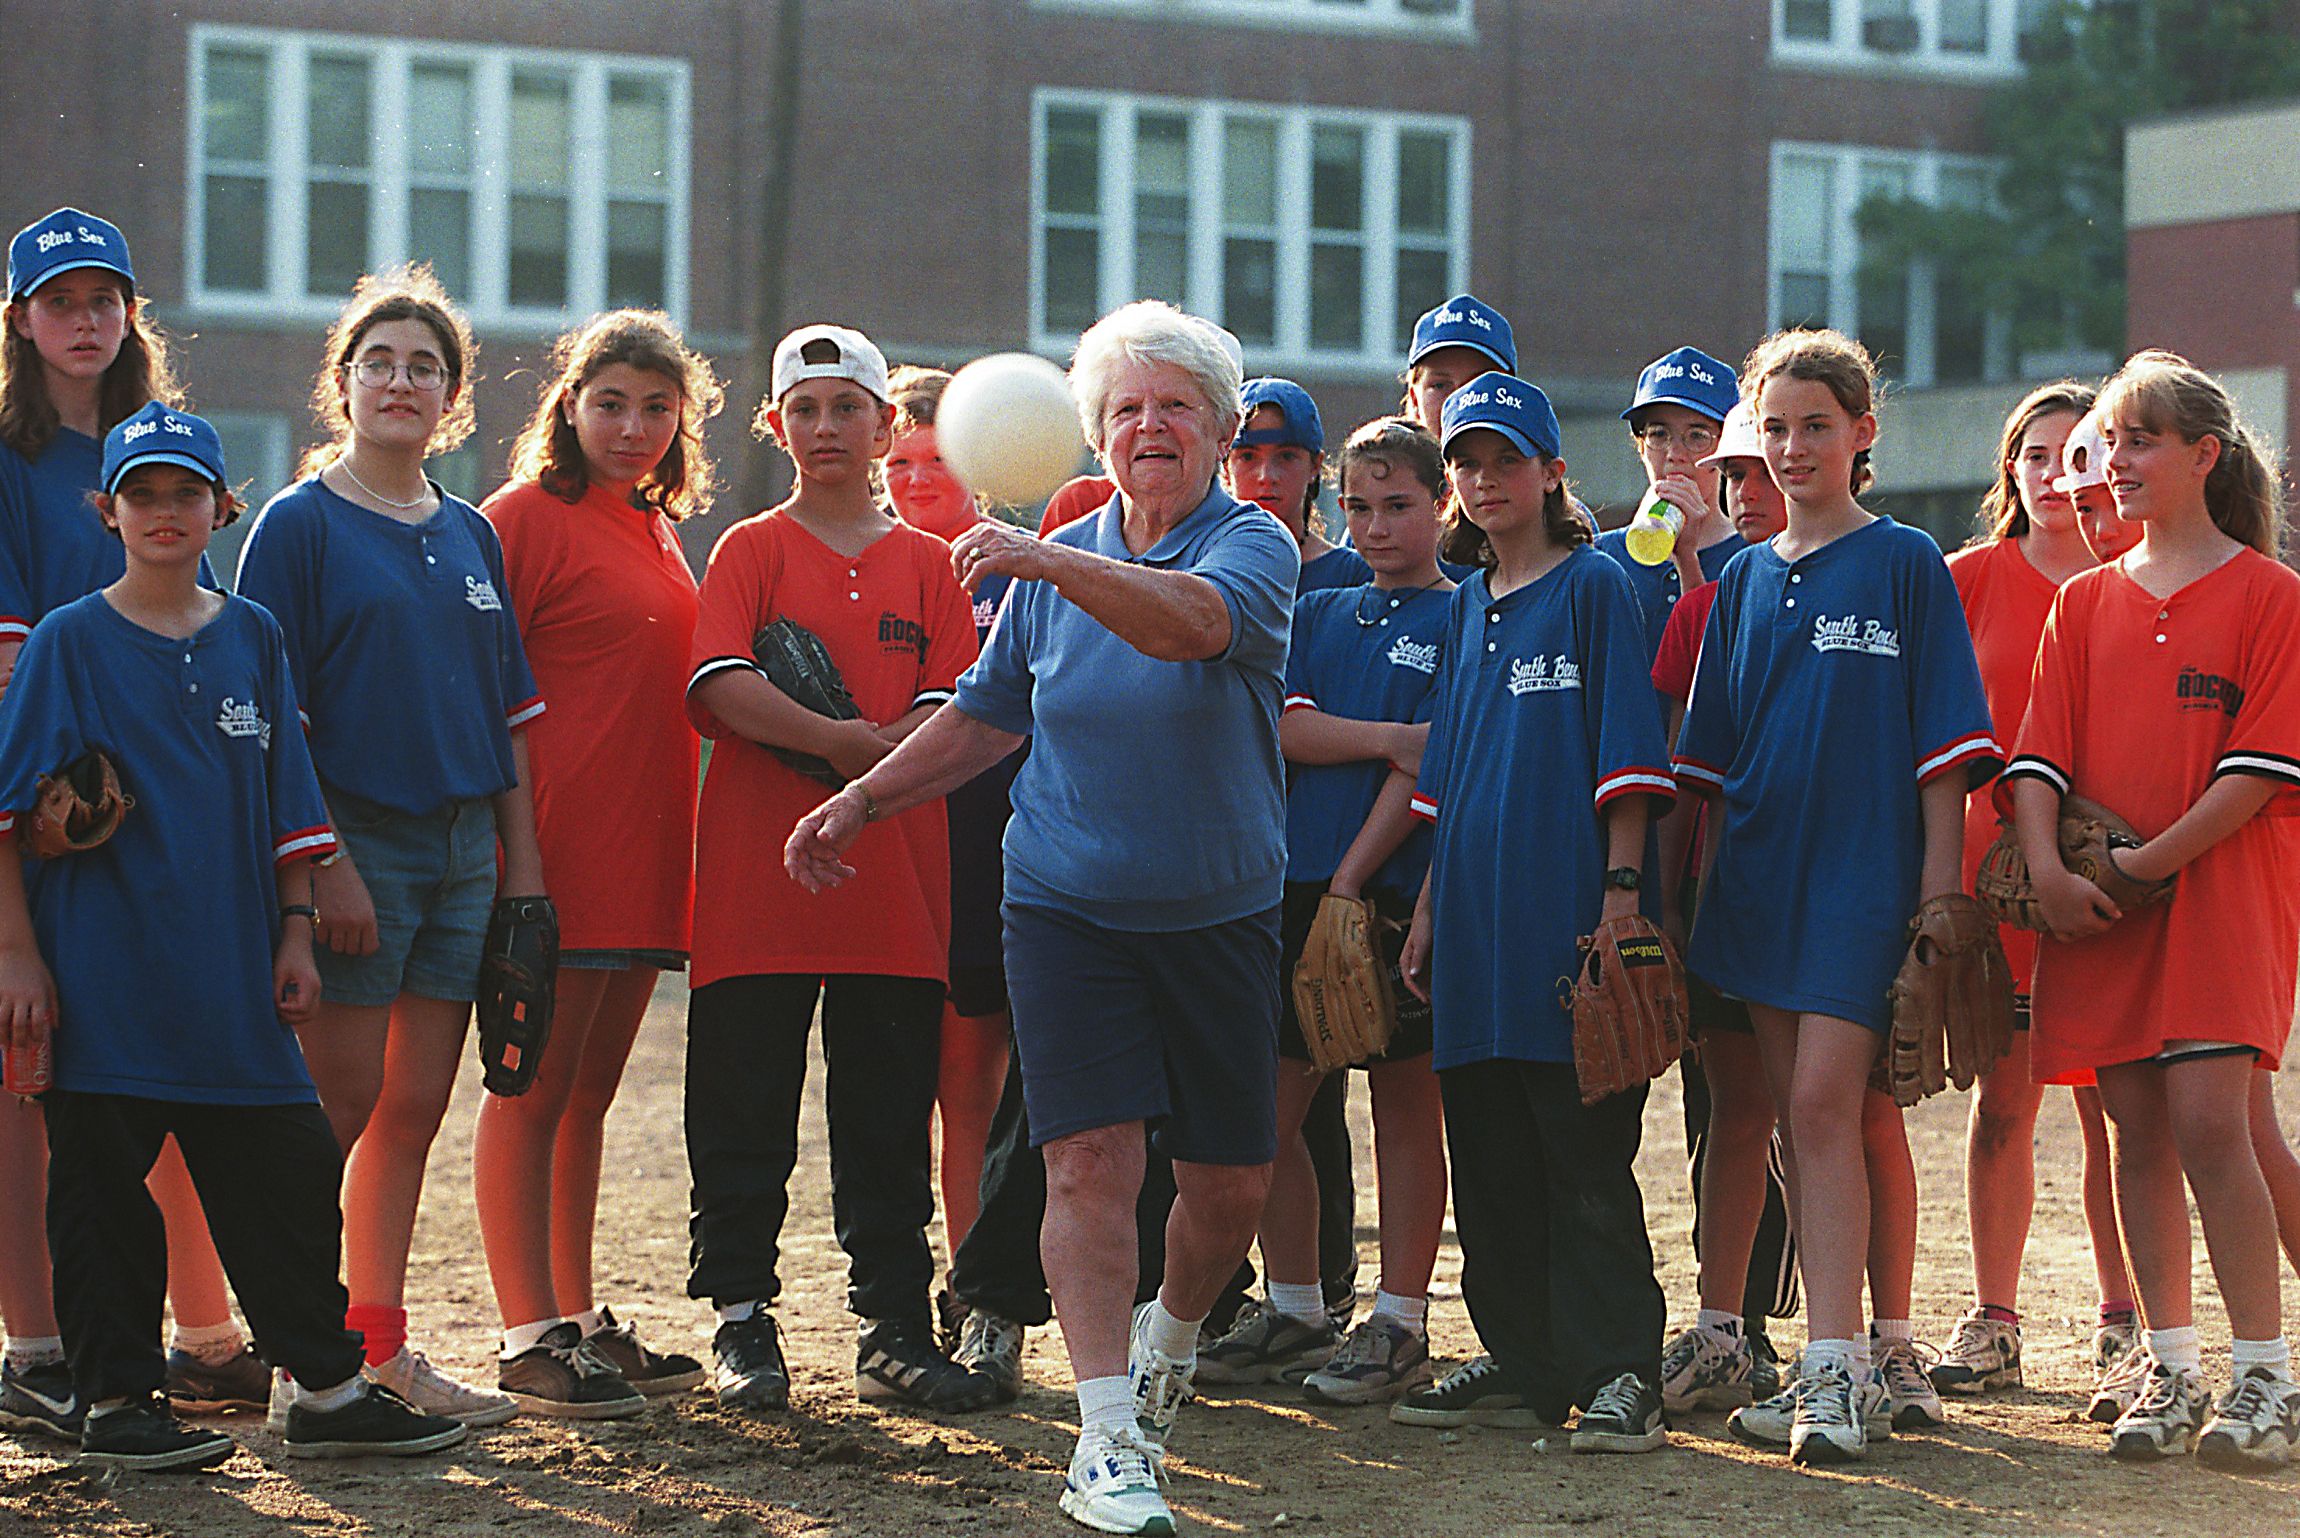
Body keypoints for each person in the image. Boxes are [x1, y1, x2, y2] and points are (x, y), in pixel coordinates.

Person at [786, 300, 1297, 1537]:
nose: (1150, 425)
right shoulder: (1052, 568)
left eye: (1175, 405)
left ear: (1220, 430)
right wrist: (857, 800)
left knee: (1227, 1189)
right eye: (1125, 407)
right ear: (1097, 433)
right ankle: (1108, 1434)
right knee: (1088, 1162)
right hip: (1063, 901)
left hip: (1217, 907)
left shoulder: (1250, 544)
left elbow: (1194, 627)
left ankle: (1169, 1335)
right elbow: (982, 714)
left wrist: (1047, 556)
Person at [0, 404, 467, 1468]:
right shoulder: (71, 639)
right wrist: (15, 952)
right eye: (143, 493)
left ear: (222, 506)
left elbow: (289, 804)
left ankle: (325, 1386)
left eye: (186, 492)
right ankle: (116, 1397)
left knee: (293, 1177)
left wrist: (296, 935)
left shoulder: (252, 632)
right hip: (103, 977)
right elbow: (9, 812)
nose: (165, 512)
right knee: (101, 1200)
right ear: (107, 509)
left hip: (233, 979)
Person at [1674, 329, 1998, 1466]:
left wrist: (1938, 902)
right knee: (1789, 1121)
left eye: (1816, 424)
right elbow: (1703, 769)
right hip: (1756, 883)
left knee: (1822, 1106)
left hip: (1866, 884)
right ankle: (1833, 1365)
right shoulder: (1740, 582)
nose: (1793, 446)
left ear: (1862, 432)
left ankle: (1829, 1377)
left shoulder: (1906, 558)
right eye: (1773, 428)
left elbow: (1945, 752)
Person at [235, 267, 544, 1428]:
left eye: (425, 366)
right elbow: (272, 711)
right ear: (343, 383)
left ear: (451, 397)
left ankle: (378, 1346)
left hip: (468, 844)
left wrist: (522, 865)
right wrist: (325, 870)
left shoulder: (468, 530)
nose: (402, 381)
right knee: (341, 1100)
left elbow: (504, 713)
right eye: (381, 362)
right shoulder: (298, 525)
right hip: (355, 837)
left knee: (414, 1101)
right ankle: (303, 1359)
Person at [684, 325, 989, 1417]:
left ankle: (893, 1322)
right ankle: (738, 1316)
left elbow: (957, 701)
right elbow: (718, 685)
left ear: (881, 424)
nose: (824, 428)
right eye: (802, 409)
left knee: (885, 1113)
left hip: (892, 888)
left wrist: (860, 751)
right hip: (755, 887)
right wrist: (848, 741)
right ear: (774, 425)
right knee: (740, 1107)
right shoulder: (748, 549)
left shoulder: (925, 560)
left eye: (844, 408)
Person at [2005, 350, 2300, 1468]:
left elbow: (2259, 773)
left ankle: (2263, 1375)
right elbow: (2034, 757)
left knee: (2213, 1123)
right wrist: (2041, 868)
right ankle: (2169, 1364)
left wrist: (2138, 867)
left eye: (2135, 439)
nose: (2111, 461)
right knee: (2131, 1124)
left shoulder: (2268, 594)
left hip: (2219, 894)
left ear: (2200, 455)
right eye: (2106, 442)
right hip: (2095, 905)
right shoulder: (2081, 600)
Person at [0, 207, 261, 1439]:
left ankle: (200, 1336)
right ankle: (39, 1340)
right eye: (61, 300)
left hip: (158, 786)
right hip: (47, 783)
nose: (86, 318)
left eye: (105, 296)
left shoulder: (152, 450)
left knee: (154, 1058)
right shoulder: (8, 449)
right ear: (22, 321)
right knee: (34, 1073)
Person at [1390, 373, 1675, 1455]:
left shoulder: (1594, 585)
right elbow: (1450, 775)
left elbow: (1627, 754)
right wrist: (1422, 910)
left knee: (1581, 1150)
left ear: (1551, 471)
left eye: (1504, 458)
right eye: (1465, 461)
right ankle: (1523, 1355)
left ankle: (1617, 1370)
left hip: (1567, 921)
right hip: (1471, 922)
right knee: (1493, 1153)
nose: (1481, 478)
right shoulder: (1465, 604)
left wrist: (1618, 901)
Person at [472, 311, 722, 1416]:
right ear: (567, 404)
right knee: (527, 1090)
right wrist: (514, 854)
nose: (633, 425)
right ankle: (527, 1333)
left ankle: (572, 1318)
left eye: (657, 407)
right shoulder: (520, 519)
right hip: (552, 851)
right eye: (610, 401)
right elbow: (483, 694)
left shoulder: (658, 528)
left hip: (645, 851)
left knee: (586, 1097)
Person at [1198, 417, 1450, 1404]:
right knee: (1272, 1106)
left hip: (1392, 890)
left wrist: (1354, 876)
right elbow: (1289, 726)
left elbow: (1435, 771)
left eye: (1399, 505)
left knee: (1402, 1105)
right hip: (1298, 881)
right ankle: (1299, 1305)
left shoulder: (1462, 612)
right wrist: (1388, 734)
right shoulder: (1325, 603)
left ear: (1441, 505)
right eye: (1359, 506)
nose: (1378, 525)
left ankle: (1398, 1319)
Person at [1929, 384, 2139, 1407]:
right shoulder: (1962, 578)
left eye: (2078, 454)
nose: (2056, 475)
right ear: (2007, 469)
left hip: (2103, 888)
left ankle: (2126, 1317)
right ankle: (1993, 1317)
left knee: (2113, 1110)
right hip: (1993, 888)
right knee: (2001, 1104)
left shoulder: (2130, 581)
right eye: (2035, 454)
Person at [1645, 400, 1799, 1414]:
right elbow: (1674, 769)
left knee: (1832, 1120)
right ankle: (1721, 1328)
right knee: (1740, 1110)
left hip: (1820, 882)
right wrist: (1658, 903)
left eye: (1759, 470)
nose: (1746, 491)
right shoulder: (1703, 606)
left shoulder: (1879, 571)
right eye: (1734, 474)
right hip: (1715, 883)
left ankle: (1873, 1340)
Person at [1215, 375, 1362, 1341]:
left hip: (1325, 873)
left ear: (1317, 470)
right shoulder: (1208, 564)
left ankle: (1326, 1301)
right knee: (1251, 1108)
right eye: (1249, 455)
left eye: (1287, 457)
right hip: (1228, 869)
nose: (1266, 475)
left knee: (1298, 1107)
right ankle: (1294, 1305)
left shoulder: (1348, 581)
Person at [877, 364, 1020, 1340]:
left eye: (938, 457)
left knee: (989, 1085)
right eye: (899, 460)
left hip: (998, 859)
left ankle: (986, 1288)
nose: (917, 477)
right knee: (916, 1091)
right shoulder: (867, 566)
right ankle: (930, 1289)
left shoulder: (1020, 568)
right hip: (894, 861)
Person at [1595, 347, 1745, 664]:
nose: (1675, 453)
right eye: (1659, 434)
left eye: (1697, 436)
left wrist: (1686, 557)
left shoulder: (1751, 559)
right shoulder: (1601, 557)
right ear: (1640, 448)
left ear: (1726, 451)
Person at [1397, 295, 1515, 436]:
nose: (1459, 400)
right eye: (1440, 385)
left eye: (1478, 384)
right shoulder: (1374, 453)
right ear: (1415, 400)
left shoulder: (1541, 455)